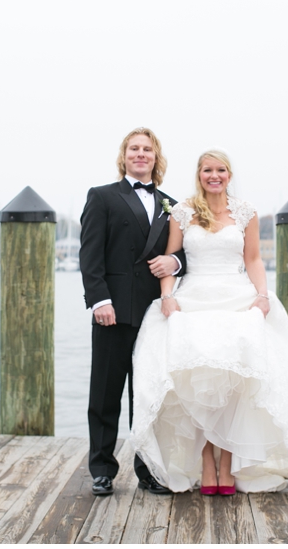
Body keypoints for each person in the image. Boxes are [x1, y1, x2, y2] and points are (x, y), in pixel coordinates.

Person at [129, 150, 288, 495]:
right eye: (208, 170)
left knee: (233, 382)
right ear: (199, 174)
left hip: (236, 296)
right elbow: (170, 259)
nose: (215, 175)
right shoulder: (182, 212)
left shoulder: (245, 212)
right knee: (200, 382)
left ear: (229, 174)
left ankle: (226, 466)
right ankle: (206, 464)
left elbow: (253, 259)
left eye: (221, 170)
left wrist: (262, 295)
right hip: (194, 297)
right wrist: (168, 297)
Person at [79, 127, 186, 497]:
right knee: (106, 394)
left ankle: (148, 470)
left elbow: (186, 254)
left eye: (147, 150)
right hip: (112, 311)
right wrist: (99, 301)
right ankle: (102, 469)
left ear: (156, 158)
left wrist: (173, 261)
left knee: (147, 396)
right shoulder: (103, 197)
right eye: (134, 149)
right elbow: (90, 255)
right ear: (124, 156)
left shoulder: (172, 204)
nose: (141, 154)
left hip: (154, 314)